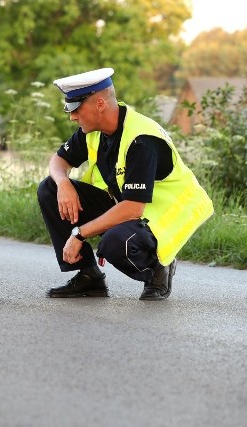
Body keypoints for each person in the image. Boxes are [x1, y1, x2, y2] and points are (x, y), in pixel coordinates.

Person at [37, 68, 214, 301]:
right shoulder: (93, 130)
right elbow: (59, 161)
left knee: (116, 243)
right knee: (49, 188)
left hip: (162, 214)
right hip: (127, 205)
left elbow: (133, 208)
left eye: (76, 109)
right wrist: (63, 183)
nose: (72, 116)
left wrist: (79, 234)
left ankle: (158, 266)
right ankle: (89, 277)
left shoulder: (142, 139)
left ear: (100, 104)